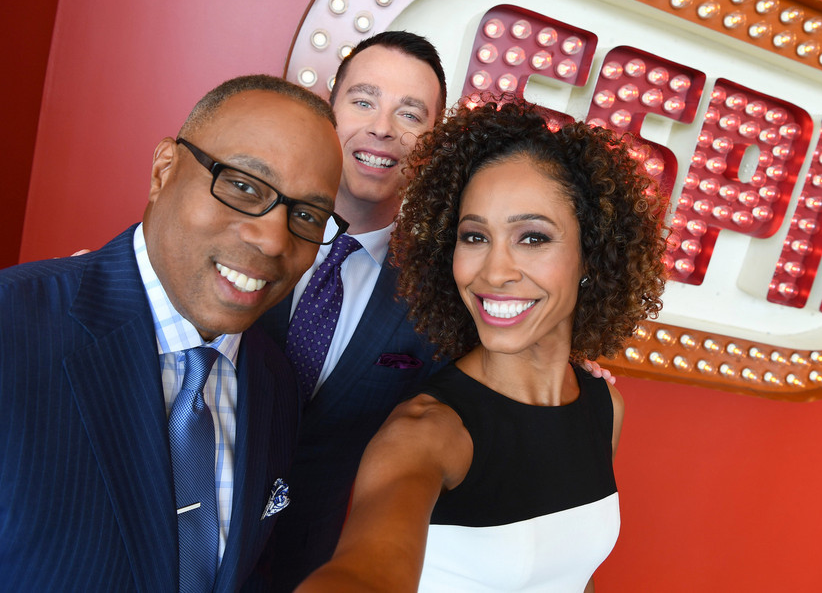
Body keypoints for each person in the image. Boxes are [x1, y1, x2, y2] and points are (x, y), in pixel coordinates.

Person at [297, 96, 668, 592]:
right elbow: (363, 571)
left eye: (532, 238)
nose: (494, 272)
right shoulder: (425, 432)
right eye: (474, 238)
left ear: (592, 255)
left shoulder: (605, 407)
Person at [0, 74, 344, 593]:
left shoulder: (274, 381)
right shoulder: (13, 325)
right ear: (163, 170)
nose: (273, 239)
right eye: (244, 185)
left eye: (306, 215)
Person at [258, 31, 452, 590]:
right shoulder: (242, 224)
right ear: (330, 107)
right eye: (364, 101)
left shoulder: (438, 293)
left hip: (312, 565)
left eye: (409, 114)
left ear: (432, 140)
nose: (382, 128)